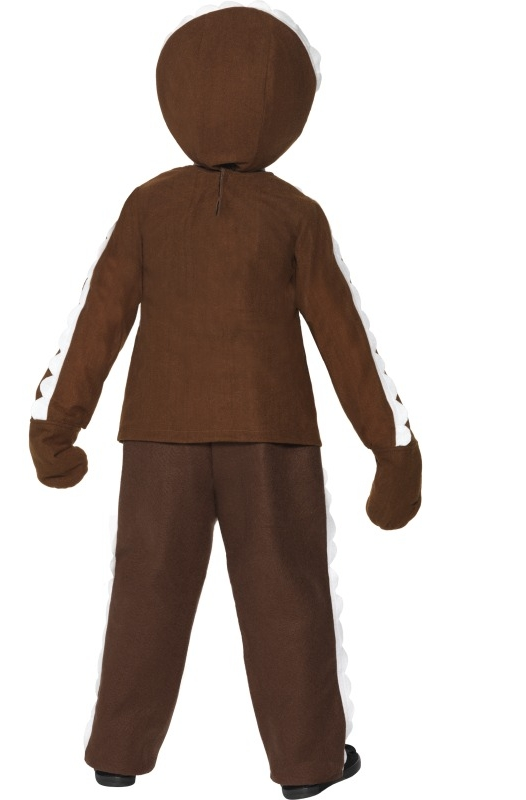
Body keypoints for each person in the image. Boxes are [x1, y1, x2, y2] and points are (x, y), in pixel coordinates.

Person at [29, 3, 422, 796]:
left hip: (158, 438)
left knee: (146, 595)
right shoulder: (296, 215)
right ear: (291, 103)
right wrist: (394, 450)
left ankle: (116, 754)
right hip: (271, 437)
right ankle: (308, 766)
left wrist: (55, 426)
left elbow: (96, 319)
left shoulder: (147, 206)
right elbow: (348, 340)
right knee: (288, 600)